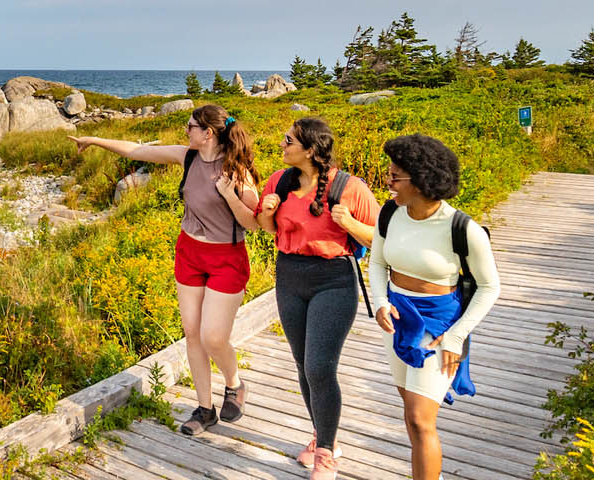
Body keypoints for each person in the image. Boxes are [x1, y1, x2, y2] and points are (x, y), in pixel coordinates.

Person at [68, 104, 262, 436]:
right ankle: (204, 409)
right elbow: (138, 150)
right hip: (189, 253)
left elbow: (255, 223)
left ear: (208, 133)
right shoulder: (187, 156)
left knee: (213, 337)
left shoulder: (237, 170)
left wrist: (230, 196)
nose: (186, 131)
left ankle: (234, 384)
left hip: (226, 258)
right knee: (192, 334)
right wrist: (94, 138)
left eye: (190, 126)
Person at [367, 134, 501, 479]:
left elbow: (489, 287)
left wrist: (456, 337)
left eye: (395, 176)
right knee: (410, 413)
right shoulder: (390, 213)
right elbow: (378, 263)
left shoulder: (463, 228)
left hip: (439, 324)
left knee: (419, 418)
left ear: (421, 181)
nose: (388, 181)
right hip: (397, 319)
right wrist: (380, 300)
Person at [255, 117, 378, 479]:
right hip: (289, 275)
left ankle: (326, 455)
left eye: (288, 139)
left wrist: (350, 225)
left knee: (319, 367)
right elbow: (268, 230)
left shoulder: (350, 187)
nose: (282, 143)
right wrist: (266, 213)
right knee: (302, 364)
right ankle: (323, 437)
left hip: (333, 281)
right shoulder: (279, 181)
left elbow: (379, 239)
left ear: (309, 149)